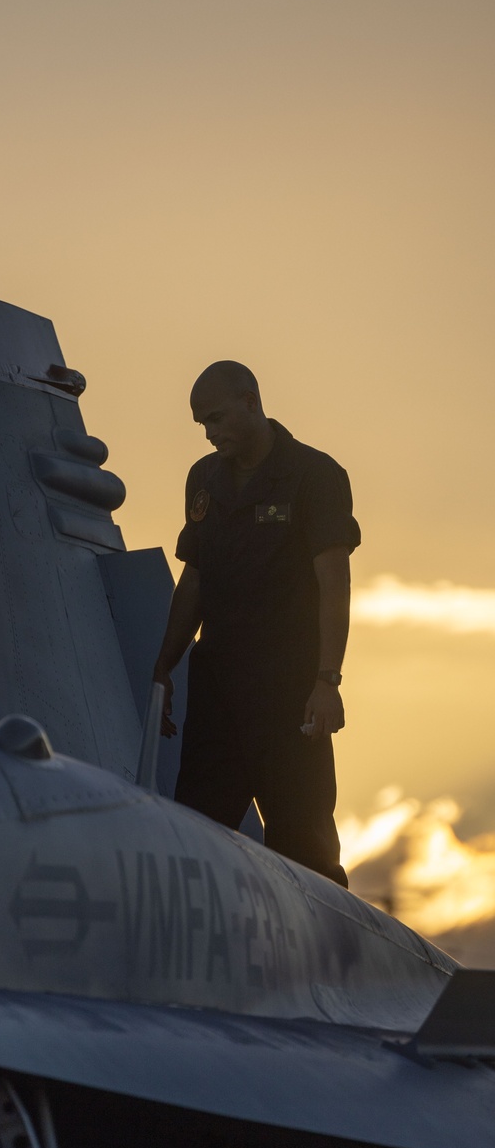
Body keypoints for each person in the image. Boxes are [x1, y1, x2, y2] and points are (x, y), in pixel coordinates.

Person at [152, 360, 359, 886]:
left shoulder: (316, 476)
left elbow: (334, 585)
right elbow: (193, 582)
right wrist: (163, 668)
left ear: (251, 403)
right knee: (195, 842)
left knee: (305, 847)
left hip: (290, 697)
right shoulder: (203, 481)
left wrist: (326, 682)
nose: (210, 433)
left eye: (217, 418)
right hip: (217, 693)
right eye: (201, 424)